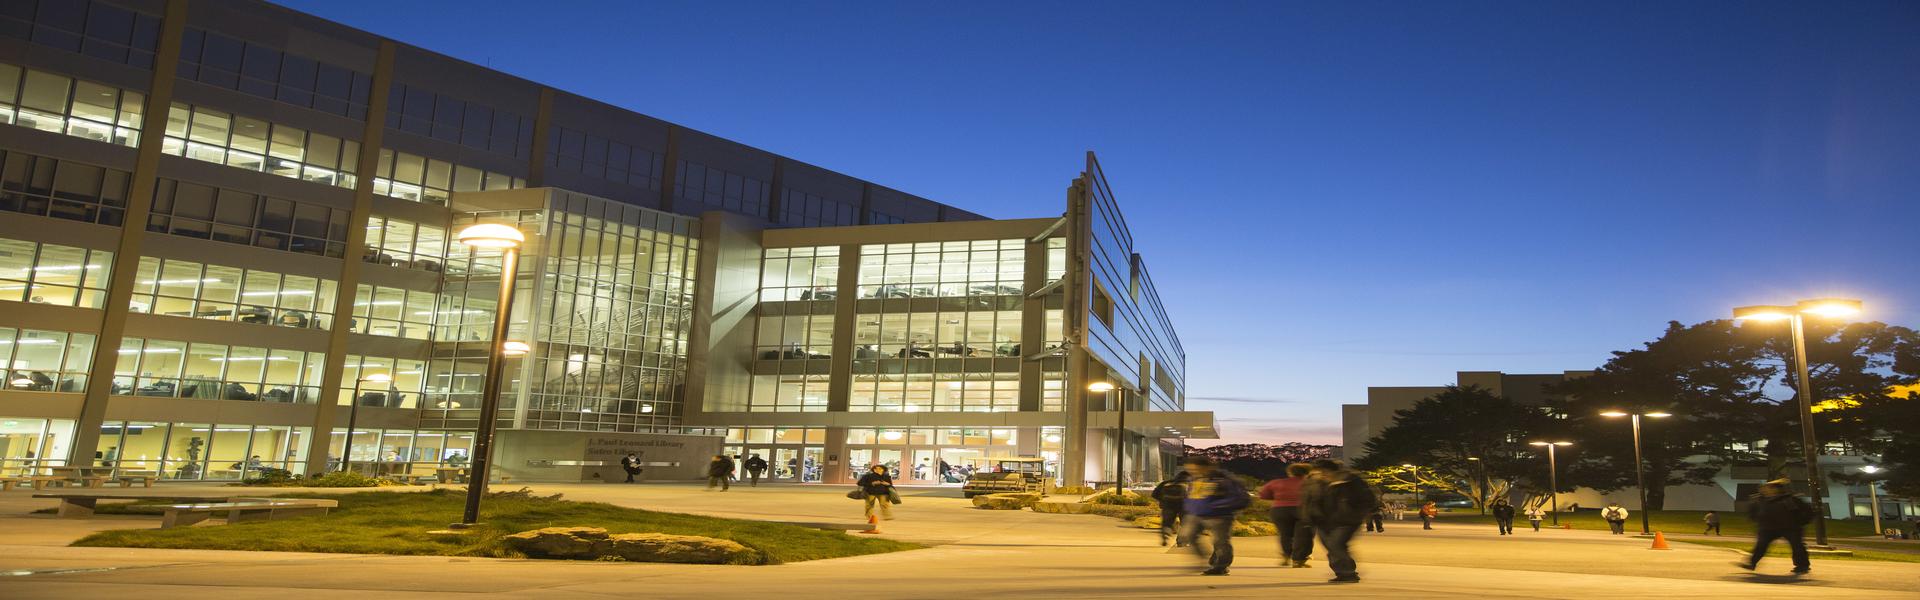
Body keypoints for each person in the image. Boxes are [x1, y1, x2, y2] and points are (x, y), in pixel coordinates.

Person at [1302, 458, 1373, 584]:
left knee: (1336, 545)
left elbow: (1367, 498)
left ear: (1334, 471)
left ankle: (1348, 573)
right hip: (1323, 520)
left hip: (1347, 520)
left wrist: (1358, 514)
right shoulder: (1315, 482)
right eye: (1319, 472)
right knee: (1332, 547)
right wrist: (1309, 517)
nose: (1322, 475)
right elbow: (1309, 501)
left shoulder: (1351, 480)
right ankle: (1342, 573)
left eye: (1325, 472)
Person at [1178, 456, 1249, 576]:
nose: (1192, 472)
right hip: (1196, 515)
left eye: (1195, 469)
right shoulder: (1194, 479)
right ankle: (1203, 559)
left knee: (1220, 542)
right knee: (1188, 536)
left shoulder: (1224, 480)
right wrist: (1189, 508)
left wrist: (1217, 506)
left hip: (1219, 516)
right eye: (1190, 470)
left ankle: (1221, 567)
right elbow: (1192, 496)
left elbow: (1240, 498)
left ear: (1206, 467)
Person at [1736, 478, 1812, 575]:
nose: (1764, 490)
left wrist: (1801, 522)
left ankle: (1802, 566)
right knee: (1761, 546)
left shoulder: (1790, 499)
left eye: (1768, 488)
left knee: (1797, 546)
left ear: (1776, 489)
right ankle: (1751, 563)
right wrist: (1757, 520)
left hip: (1790, 528)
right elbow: (1753, 512)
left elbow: (1808, 512)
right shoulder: (1761, 500)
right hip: (1768, 529)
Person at [1259, 463, 1314, 567]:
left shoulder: (1276, 482)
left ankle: (1286, 557)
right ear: (1307, 472)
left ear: (1290, 472)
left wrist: (1280, 498)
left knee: (1285, 535)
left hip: (1280, 510)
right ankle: (1299, 560)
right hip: (1303, 510)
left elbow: (1263, 495)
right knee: (1304, 535)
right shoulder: (1310, 483)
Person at [1149, 470, 1190, 547]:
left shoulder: (1166, 483)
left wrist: (1163, 500)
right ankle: (1181, 541)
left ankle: (1166, 534)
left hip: (1168, 505)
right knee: (1185, 524)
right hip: (1184, 506)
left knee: (1167, 522)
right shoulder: (1189, 484)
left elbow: (1154, 494)